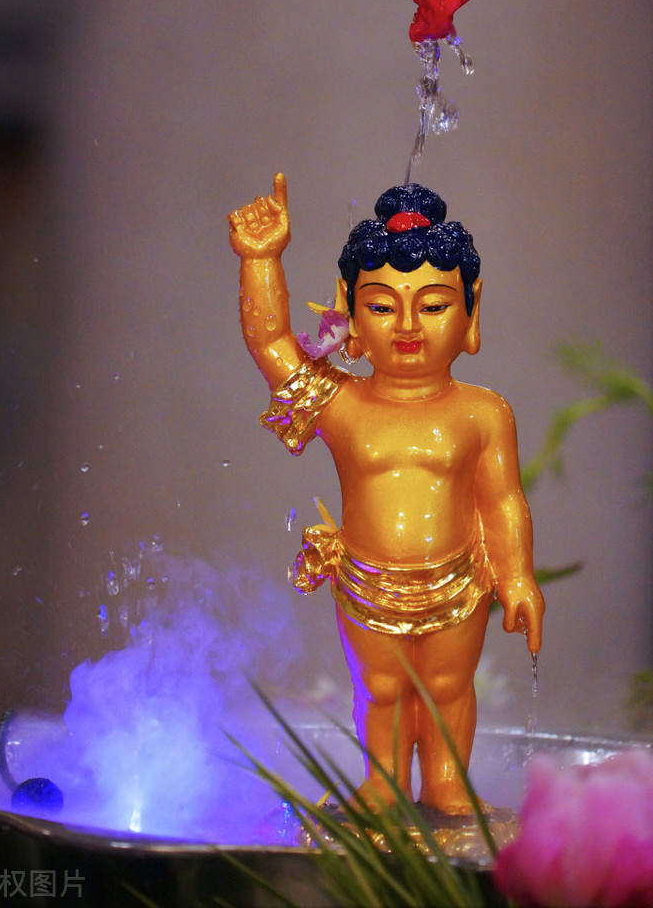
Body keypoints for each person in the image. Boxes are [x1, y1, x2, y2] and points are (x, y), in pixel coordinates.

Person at [228, 172, 544, 816]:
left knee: (449, 687)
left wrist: (517, 576)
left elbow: (503, 502)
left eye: (433, 306)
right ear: (348, 311)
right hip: (366, 583)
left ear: (471, 310)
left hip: (458, 582)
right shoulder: (344, 404)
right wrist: (261, 261)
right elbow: (271, 345)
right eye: (380, 307)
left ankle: (448, 788)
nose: (406, 325)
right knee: (381, 688)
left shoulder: (484, 413)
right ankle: (384, 784)